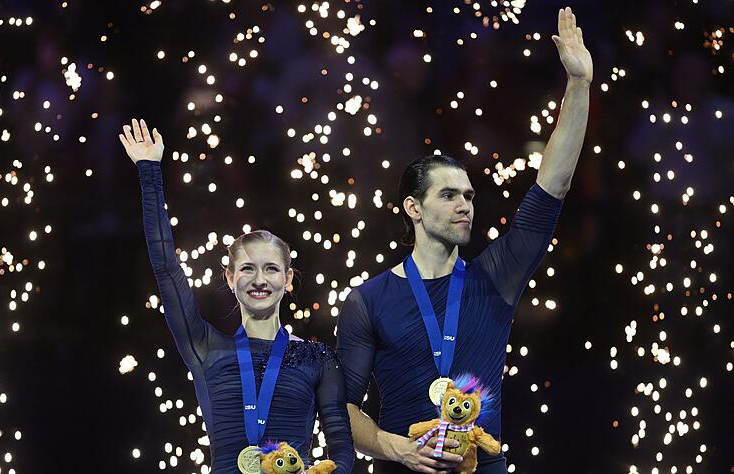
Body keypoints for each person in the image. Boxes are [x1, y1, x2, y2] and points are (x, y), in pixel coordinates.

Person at [337, 7, 591, 474]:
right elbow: (343, 410)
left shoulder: (495, 279)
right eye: (449, 195)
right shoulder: (367, 300)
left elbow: (554, 184)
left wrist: (578, 86)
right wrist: (400, 450)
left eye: (469, 196)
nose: (465, 206)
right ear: (413, 208)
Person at [119, 118, 354, 473]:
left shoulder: (318, 359)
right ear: (229, 278)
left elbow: (342, 450)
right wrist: (149, 170)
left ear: (289, 279)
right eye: (247, 269)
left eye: (271, 269)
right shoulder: (206, 348)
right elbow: (166, 266)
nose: (259, 280)